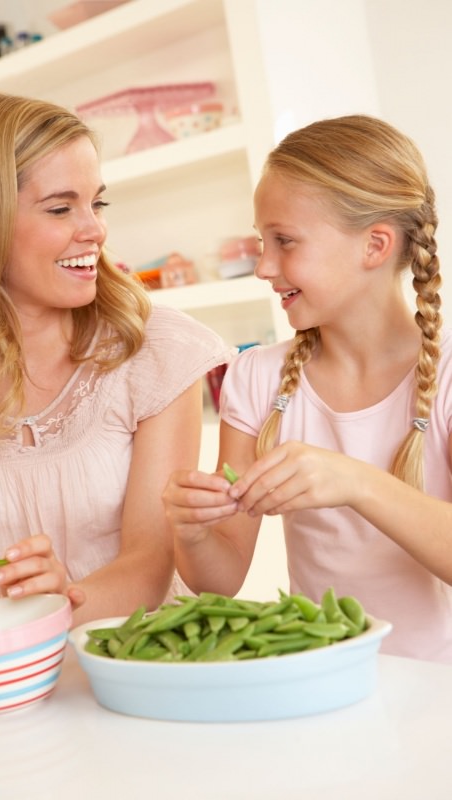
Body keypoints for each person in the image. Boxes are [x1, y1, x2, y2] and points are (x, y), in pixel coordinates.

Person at [0, 93, 233, 624]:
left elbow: (150, 567)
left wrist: (64, 598)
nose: (94, 229)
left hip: (147, 660)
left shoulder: (154, 350)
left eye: (97, 203)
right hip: (10, 679)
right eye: (62, 208)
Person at [163, 113, 452, 663]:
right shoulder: (256, 379)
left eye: (285, 241)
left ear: (374, 246)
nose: (264, 266)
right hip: (321, 679)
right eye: (260, 241)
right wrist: (194, 530)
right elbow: (216, 584)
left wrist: (357, 483)